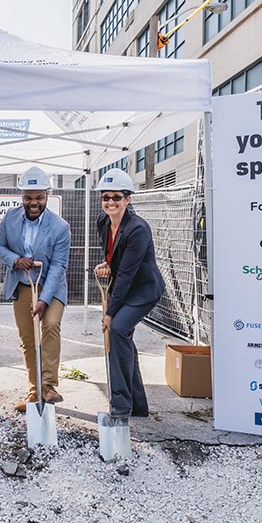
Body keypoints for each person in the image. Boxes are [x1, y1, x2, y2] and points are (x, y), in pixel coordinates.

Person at [0, 166, 71, 412]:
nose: (33, 202)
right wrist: (16, 260)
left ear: (47, 196)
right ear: (22, 197)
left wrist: (44, 299)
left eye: (39, 197)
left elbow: (59, 266)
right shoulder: (10, 219)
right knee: (28, 339)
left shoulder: (60, 227)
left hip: (50, 284)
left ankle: (48, 386)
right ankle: (34, 390)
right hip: (23, 283)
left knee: (49, 325)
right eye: (28, 197)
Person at [94, 168, 164, 418]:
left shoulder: (138, 229)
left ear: (128, 199)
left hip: (143, 290)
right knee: (123, 341)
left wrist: (110, 312)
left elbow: (127, 274)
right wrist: (107, 264)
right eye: (106, 197)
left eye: (116, 197)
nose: (110, 202)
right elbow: (116, 261)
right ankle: (138, 406)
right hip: (125, 286)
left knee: (118, 330)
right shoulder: (103, 221)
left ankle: (120, 405)